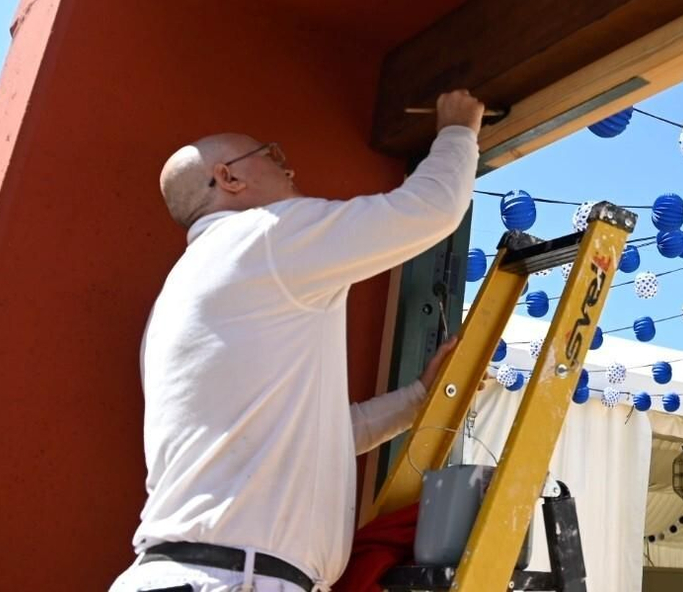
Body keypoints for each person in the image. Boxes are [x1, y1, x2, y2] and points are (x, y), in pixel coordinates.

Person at [108, 90, 485, 592]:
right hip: (236, 579)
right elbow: (432, 209)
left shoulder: (176, 299)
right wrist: (458, 128)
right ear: (229, 177)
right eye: (272, 154)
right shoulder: (264, 237)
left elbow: (304, 439)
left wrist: (417, 399)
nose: (288, 168)